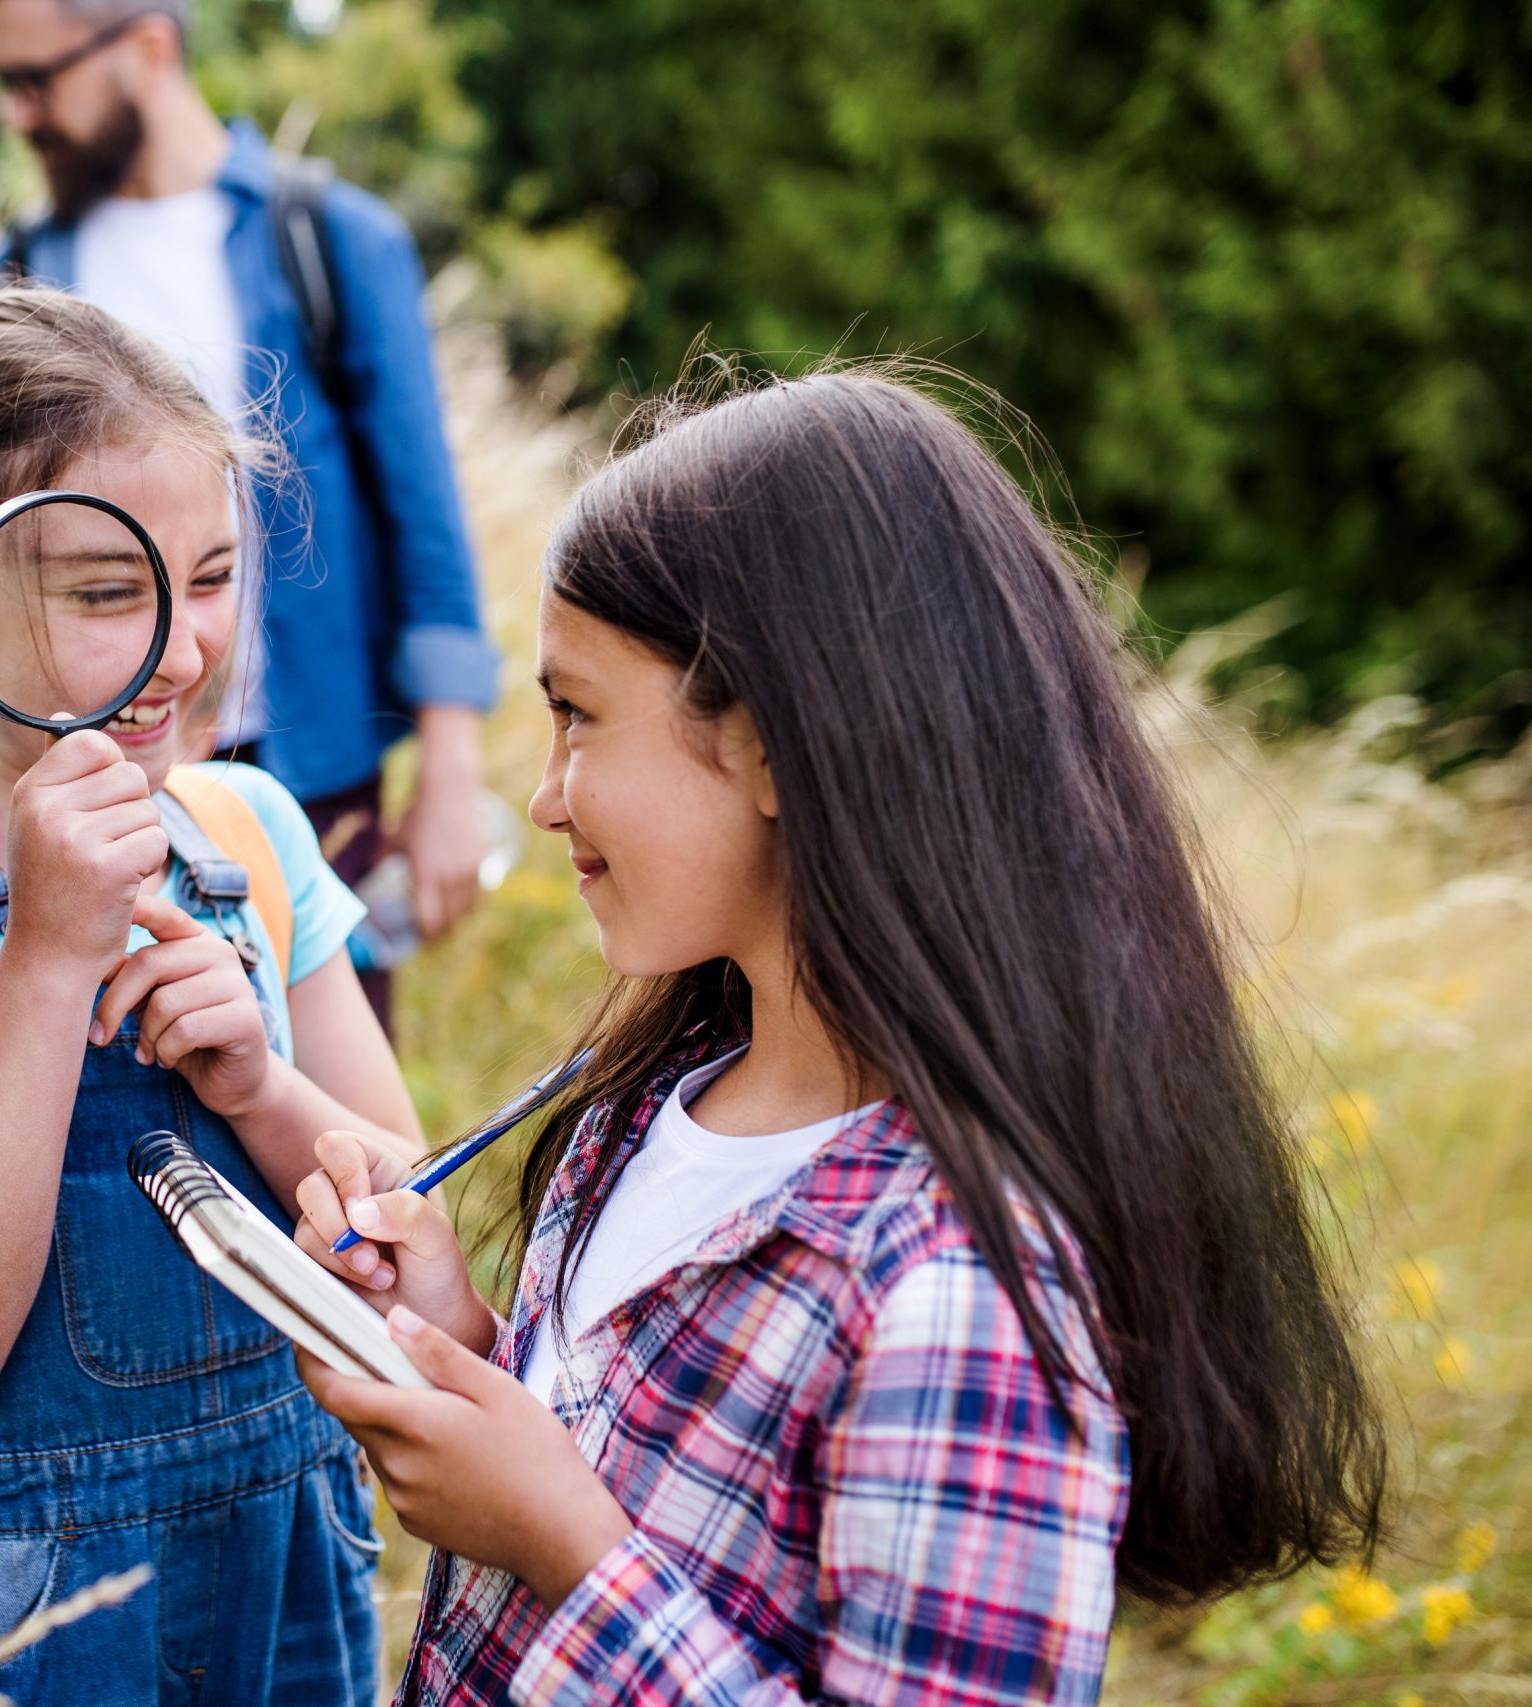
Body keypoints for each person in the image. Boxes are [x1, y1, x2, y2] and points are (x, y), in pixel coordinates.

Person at [292, 369, 1389, 1704]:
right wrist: (460, 1344)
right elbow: (653, 1454)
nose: (543, 791)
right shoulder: (644, 1107)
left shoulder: (960, 1291)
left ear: (763, 741)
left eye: (577, 713)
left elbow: (600, 1529)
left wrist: (569, 1553)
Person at [0, 289, 420, 1706]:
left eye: (218, 574)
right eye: (110, 592)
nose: (182, 650)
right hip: (10, 1616)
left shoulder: (248, 832)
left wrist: (260, 1084)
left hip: (288, 1567)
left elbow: (414, 1264)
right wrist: (47, 962)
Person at [0, 0, 499, 1024]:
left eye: (36, 80)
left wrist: (450, 766)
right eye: (4, 82)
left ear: (147, 48)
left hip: (318, 773)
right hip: (107, 762)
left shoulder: (332, 240)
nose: (16, 114)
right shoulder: (22, 276)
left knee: (328, 1092)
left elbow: (422, 513)